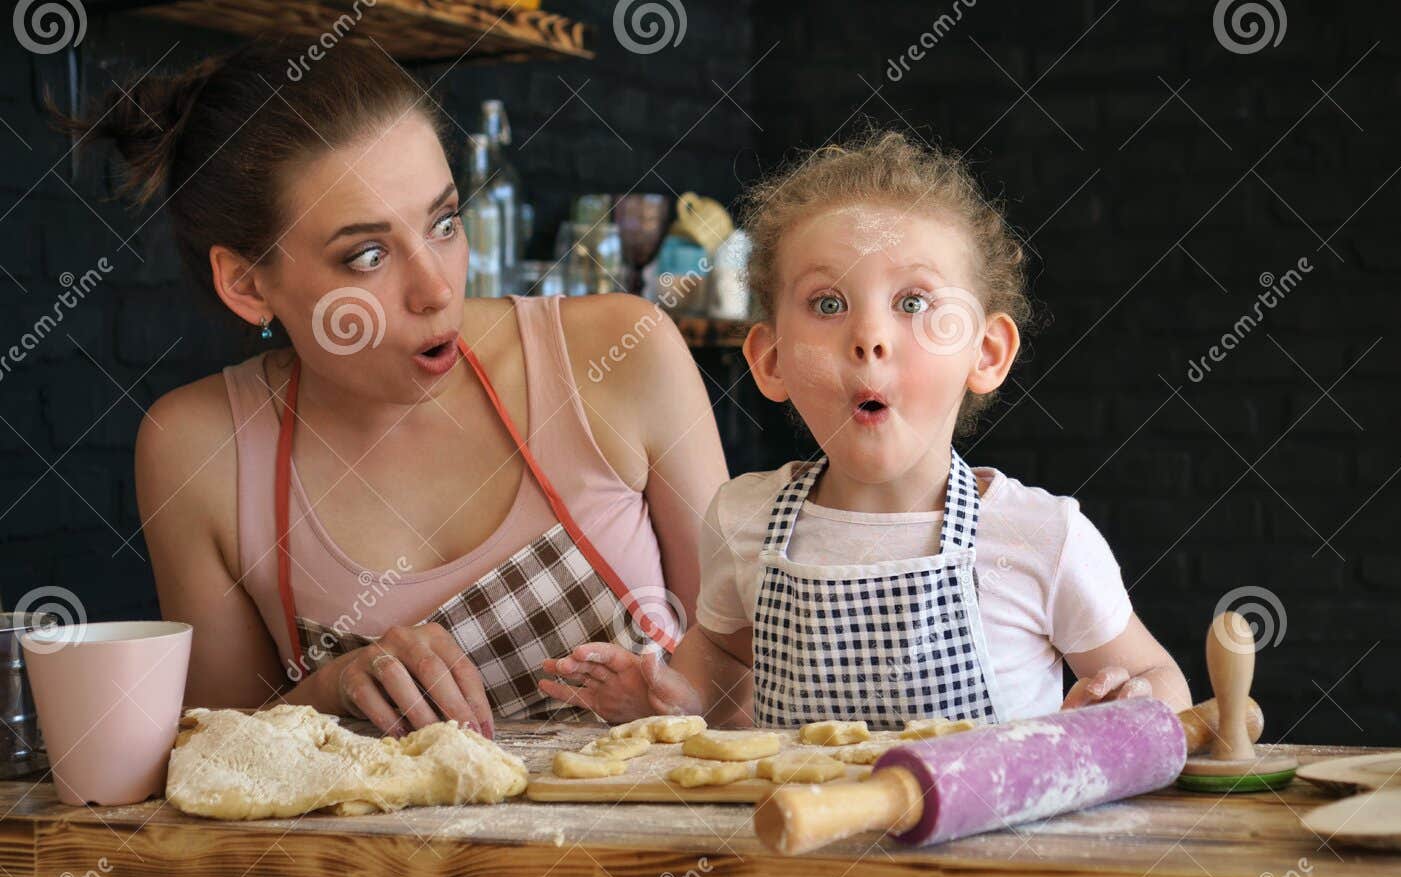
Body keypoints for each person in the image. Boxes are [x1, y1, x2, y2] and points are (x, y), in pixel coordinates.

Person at [54, 38, 726, 737]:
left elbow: (750, 673)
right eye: (367, 256)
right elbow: (218, 771)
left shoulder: (620, 355)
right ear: (249, 285)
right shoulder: (199, 449)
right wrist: (329, 688)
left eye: (443, 223)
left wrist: (687, 704)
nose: (436, 290)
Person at [538, 130, 1192, 729]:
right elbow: (723, 677)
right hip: (798, 852)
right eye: (828, 304)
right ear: (771, 360)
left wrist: (1125, 711)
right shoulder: (743, 521)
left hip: (987, 861)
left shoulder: (1043, 539)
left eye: (913, 303)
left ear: (985, 353)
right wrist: (666, 701)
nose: (869, 337)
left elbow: (1164, 683)